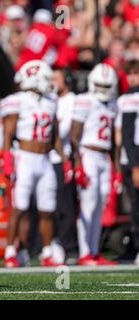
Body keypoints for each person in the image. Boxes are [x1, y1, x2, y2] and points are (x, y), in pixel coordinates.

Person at [1, 60, 71, 268]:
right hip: (24, 157)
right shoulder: (18, 100)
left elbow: (55, 136)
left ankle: (47, 252)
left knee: (47, 209)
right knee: (19, 207)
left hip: (46, 159)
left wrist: (65, 160)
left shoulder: (51, 101)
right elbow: (8, 132)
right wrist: (6, 157)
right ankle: (10, 252)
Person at [70, 63, 121, 266]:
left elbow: (116, 143)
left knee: (100, 206)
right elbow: (74, 136)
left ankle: (93, 250)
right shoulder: (84, 100)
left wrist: (116, 170)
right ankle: (84, 252)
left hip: (104, 158)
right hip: (88, 154)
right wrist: (78, 164)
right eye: (99, 85)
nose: (102, 90)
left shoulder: (113, 104)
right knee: (89, 205)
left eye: (106, 86)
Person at [49, 68, 79, 262]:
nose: (52, 82)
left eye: (56, 79)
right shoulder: (50, 99)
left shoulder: (72, 100)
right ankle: (47, 245)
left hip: (62, 157)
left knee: (65, 205)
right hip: (46, 157)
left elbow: (65, 128)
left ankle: (67, 245)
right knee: (45, 205)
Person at [118, 59, 139, 266]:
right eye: (130, 74)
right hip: (134, 157)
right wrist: (134, 166)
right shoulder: (128, 99)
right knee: (136, 206)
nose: (133, 78)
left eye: (136, 73)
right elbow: (126, 135)